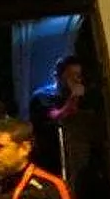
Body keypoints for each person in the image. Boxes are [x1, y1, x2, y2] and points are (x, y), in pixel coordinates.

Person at [28, 55, 97, 184]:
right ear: (59, 76)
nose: (76, 79)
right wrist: (73, 98)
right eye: (71, 75)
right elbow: (57, 118)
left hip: (76, 162)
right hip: (49, 161)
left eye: (79, 75)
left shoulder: (84, 98)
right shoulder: (43, 96)